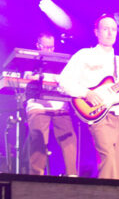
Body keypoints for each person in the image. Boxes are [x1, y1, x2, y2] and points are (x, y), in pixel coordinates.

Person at [58, 15, 119, 179]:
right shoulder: (84, 55)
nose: (110, 33)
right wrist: (87, 93)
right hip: (99, 116)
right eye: (105, 28)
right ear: (96, 32)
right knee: (108, 159)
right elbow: (64, 81)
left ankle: (112, 191)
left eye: (113, 29)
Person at [25, 32, 78, 176]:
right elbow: (28, 78)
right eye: (46, 47)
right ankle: (36, 177)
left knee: (69, 139)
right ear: (38, 46)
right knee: (39, 140)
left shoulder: (61, 62)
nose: (50, 50)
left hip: (60, 106)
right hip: (38, 105)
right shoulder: (30, 60)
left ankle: (72, 176)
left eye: (52, 47)